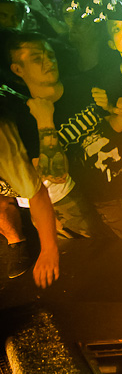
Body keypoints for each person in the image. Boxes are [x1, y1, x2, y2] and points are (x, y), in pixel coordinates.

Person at [5, 30, 122, 241]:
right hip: (102, 198)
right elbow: (55, 175)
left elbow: (111, 127)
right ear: (18, 69)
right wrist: (45, 121)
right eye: (37, 59)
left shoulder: (82, 84)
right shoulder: (27, 119)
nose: (48, 62)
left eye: (50, 55)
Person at [1, 96, 59, 288]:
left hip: (49, 185)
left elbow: (37, 194)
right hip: (16, 186)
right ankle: (15, 241)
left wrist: (49, 250)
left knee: (68, 229)